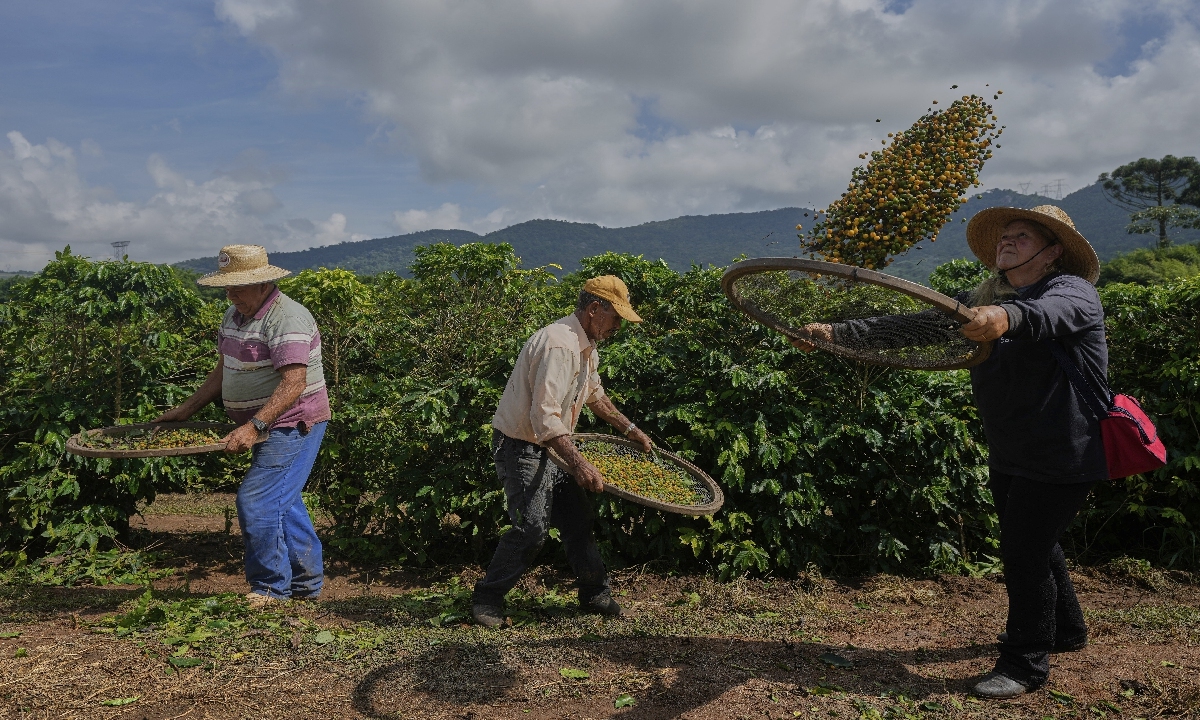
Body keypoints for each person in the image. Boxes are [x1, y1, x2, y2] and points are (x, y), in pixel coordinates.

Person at [795, 205, 1106, 699]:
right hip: (1011, 448)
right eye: (1006, 236)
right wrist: (833, 333)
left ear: (1052, 253)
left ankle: (1026, 663)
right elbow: (914, 326)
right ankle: (1066, 630)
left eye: (1022, 237)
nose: (1008, 241)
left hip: (1064, 449)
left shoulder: (1070, 291)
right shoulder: (983, 297)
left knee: (1022, 551)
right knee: (1032, 540)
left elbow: (1046, 316)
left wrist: (1002, 317)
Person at [471, 275, 654, 628]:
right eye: (616, 317)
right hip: (522, 446)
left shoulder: (586, 345)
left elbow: (594, 394)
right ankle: (487, 599)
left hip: (553, 445)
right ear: (595, 309)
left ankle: (594, 595)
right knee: (532, 528)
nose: (618, 325)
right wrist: (580, 464)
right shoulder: (560, 345)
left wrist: (630, 430)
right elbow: (544, 418)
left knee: (579, 521)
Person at [156, 245, 331, 607]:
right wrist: (186, 409)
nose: (230, 294)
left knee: (257, 501)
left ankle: (270, 589)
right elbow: (224, 370)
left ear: (264, 283)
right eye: (227, 287)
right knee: (282, 500)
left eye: (238, 286)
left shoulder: (287, 318)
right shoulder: (234, 315)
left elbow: (294, 384)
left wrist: (254, 427)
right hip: (269, 423)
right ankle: (305, 584)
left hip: (291, 423)